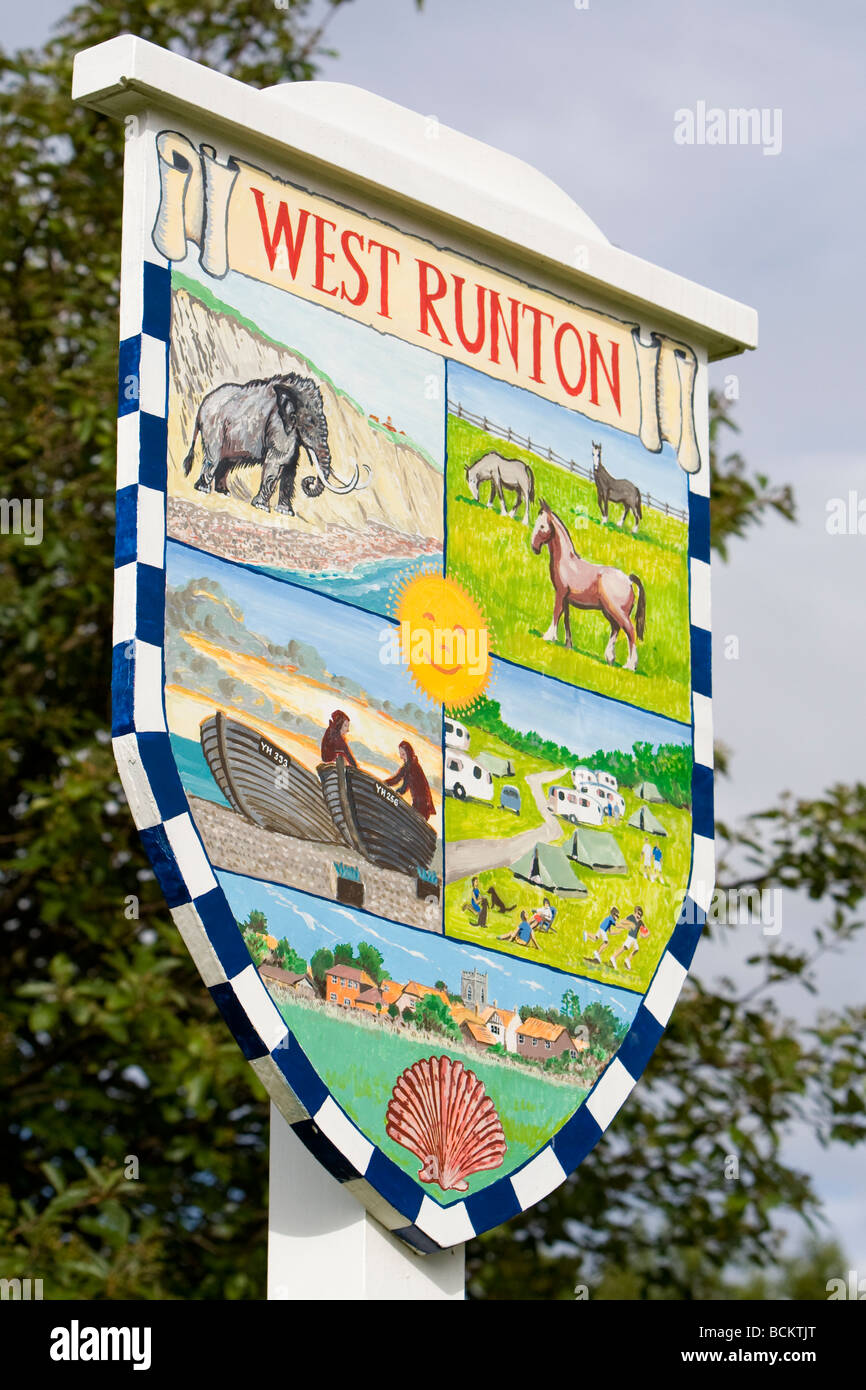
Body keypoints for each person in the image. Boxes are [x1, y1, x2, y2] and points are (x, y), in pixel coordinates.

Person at [383, 740, 435, 820]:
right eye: (400, 754)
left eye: (403, 754)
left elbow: (404, 786)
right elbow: (397, 778)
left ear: (408, 753)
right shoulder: (408, 765)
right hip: (418, 804)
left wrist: (397, 791)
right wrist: (384, 783)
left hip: (423, 806)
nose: (401, 757)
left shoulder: (413, 767)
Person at [610, 906, 647, 972]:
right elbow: (622, 921)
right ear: (635, 913)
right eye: (638, 913)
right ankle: (613, 957)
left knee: (636, 949)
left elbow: (644, 930)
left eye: (640, 914)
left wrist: (644, 935)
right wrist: (630, 923)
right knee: (625, 947)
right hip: (630, 937)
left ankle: (627, 960)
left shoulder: (640, 922)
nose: (639, 916)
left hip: (634, 939)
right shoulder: (631, 917)